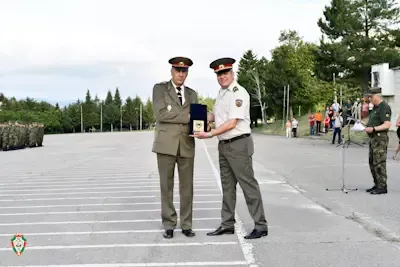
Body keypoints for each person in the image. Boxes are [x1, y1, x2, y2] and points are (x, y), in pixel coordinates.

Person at [191, 57, 268, 239]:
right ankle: (227, 224)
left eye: (225, 73)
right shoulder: (222, 93)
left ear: (232, 73)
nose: (222, 77)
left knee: (248, 185)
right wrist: (196, 115)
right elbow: (216, 117)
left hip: (238, 143)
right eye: (219, 74)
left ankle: (260, 225)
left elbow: (232, 122)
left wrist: (209, 134)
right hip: (225, 145)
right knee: (227, 187)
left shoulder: (238, 93)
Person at [151, 56, 198, 238]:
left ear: (187, 73)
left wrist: (202, 126)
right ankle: (169, 224)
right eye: (178, 70)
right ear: (172, 71)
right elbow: (161, 114)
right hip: (166, 145)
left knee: (187, 187)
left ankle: (186, 224)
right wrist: (188, 118)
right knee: (166, 186)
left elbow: (197, 119)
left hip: (186, 143)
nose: (181, 74)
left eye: (184, 71)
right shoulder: (160, 89)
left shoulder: (192, 94)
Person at [364, 87, 391, 195]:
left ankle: (382, 186)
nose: (369, 99)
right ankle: (377, 183)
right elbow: (372, 121)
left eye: (371, 96)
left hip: (380, 138)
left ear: (377, 96)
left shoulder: (384, 107)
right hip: (373, 138)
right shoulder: (375, 108)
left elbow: (387, 124)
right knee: (372, 162)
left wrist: (374, 129)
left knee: (379, 162)